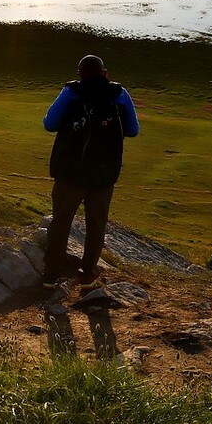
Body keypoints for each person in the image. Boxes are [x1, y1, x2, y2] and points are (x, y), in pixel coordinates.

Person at [41, 54, 140, 293]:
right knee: (96, 224)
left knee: (61, 223)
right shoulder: (119, 94)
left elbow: (49, 124)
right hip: (104, 174)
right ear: (105, 73)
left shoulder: (71, 92)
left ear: (81, 73)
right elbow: (133, 130)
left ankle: (50, 277)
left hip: (70, 173)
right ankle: (88, 276)